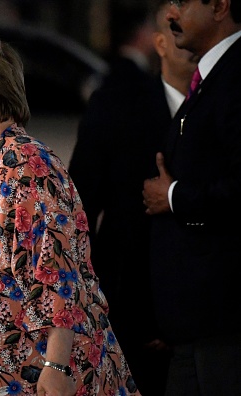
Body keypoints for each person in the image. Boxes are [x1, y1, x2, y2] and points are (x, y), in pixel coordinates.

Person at [0, 36, 141, 396]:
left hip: (53, 377)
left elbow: (60, 274)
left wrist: (56, 366)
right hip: (9, 380)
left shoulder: (27, 166)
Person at [67, 1, 199, 394]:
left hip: (208, 316)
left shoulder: (224, 109)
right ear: (158, 43)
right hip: (127, 310)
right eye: (176, 31)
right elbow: (80, 209)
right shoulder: (116, 106)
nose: (190, 42)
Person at [142, 0, 241, 394]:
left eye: (182, 2)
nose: (171, 14)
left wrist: (173, 196)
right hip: (194, 326)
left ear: (219, 6)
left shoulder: (235, 77)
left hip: (225, 322)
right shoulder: (211, 76)